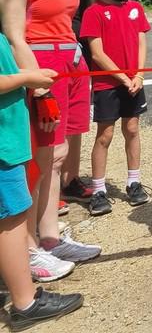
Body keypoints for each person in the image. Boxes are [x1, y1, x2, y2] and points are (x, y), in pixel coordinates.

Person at [0, 0, 101, 281]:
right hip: (40, 65)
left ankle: (49, 235)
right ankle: (25, 246)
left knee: (57, 155)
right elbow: (14, 35)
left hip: (68, 61)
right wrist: (39, 92)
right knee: (38, 160)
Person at [0, 33, 84, 329]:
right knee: (11, 219)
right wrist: (28, 80)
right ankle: (25, 302)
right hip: (3, 147)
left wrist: (29, 75)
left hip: (9, 142)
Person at [79, 0, 151, 216]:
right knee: (105, 134)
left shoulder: (135, 8)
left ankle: (134, 181)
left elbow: (142, 43)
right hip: (108, 83)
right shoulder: (94, 12)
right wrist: (122, 77)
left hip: (134, 80)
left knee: (132, 129)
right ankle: (98, 189)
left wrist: (139, 75)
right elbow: (97, 53)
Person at [45, 0, 92, 208]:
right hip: (48, 52)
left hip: (75, 50)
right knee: (51, 121)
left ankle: (70, 180)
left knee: (76, 123)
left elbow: (88, 8)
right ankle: (48, 186)